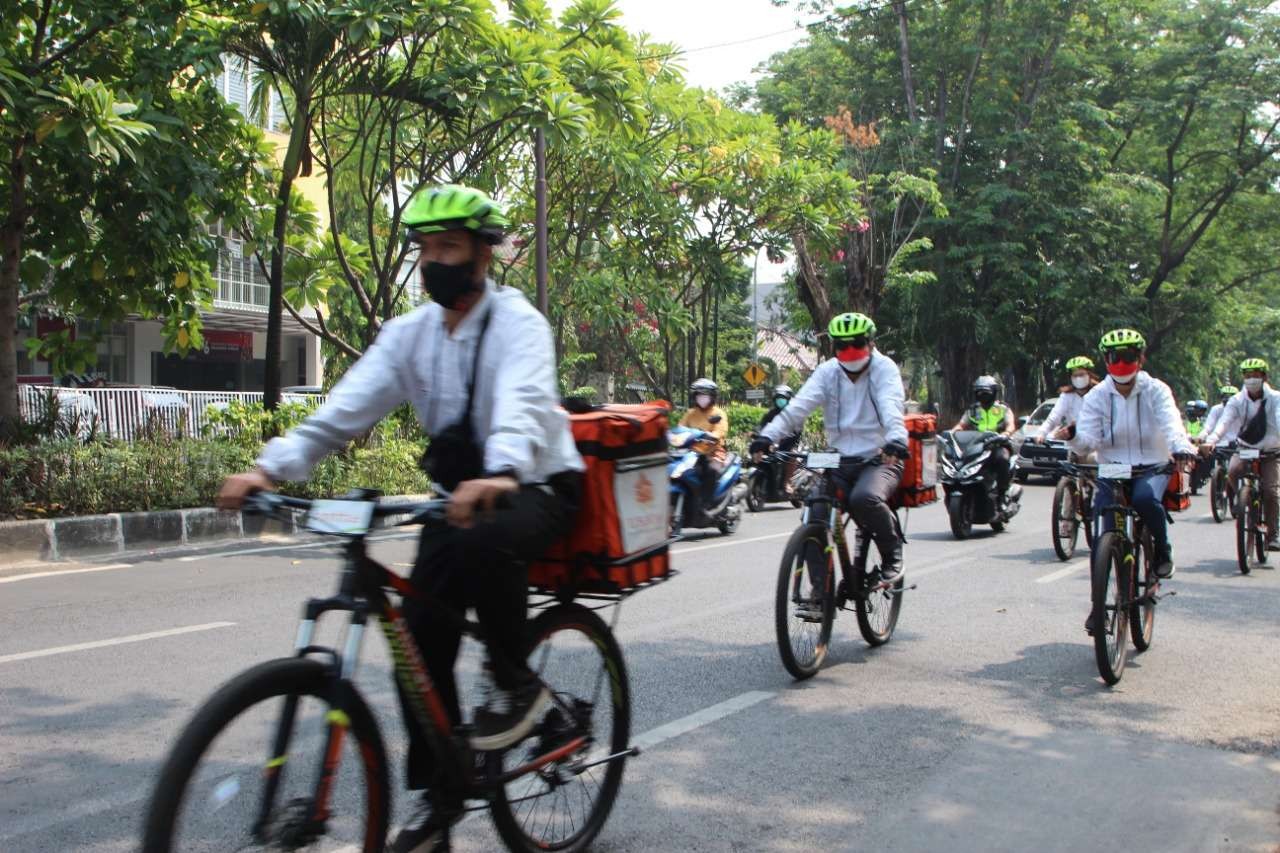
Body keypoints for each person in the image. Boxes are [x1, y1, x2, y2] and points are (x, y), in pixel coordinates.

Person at [216, 185, 585, 853]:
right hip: (458, 498)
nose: (432, 260)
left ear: (482, 256)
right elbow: (344, 410)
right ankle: (439, 796)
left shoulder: (519, 323)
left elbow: (523, 405)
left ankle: (518, 686)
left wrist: (500, 471)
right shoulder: (408, 335)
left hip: (535, 481)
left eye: (448, 247)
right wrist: (269, 468)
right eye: (425, 249)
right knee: (417, 644)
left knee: (483, 544)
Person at [750, 312, 909, 581]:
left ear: (870, 343)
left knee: (864, 499)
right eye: (841, 345)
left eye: (856, 343)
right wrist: (768, 437)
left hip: (881, 457)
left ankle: (892, 553)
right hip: (838, 460)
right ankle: (818, 592)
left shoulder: (884, 369)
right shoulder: (827, 372)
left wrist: (896, 440)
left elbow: (891, 407)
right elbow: (796, 410)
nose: (849, 351)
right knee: (815, 511)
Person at [1076, 329, 1195, 593]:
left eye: (1128, 355)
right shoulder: (1097, 396)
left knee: (1144, 499)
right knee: (1101, 533)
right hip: (1112, 468)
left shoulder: (1156, 390)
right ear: (1106, 360)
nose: (1121, 362)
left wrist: (1181, 447)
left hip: (1152, 466)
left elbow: (1171, 423)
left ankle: (1162, 550)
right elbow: (1087, 440)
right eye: (1114, 356)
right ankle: (1098, 604)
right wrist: (1073, 437)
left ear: (1140, 358)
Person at [1200, 358, 1280, 551]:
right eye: (1247, 376)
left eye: (1256, 375)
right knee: (1233, 471)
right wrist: (1210, 441)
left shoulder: (1276, 398)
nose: (1251, 379)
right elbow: (1223, 423)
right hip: (1245, 449)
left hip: (1270, 451)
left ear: (1264, 377)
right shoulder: (1237, 400)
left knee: (1270, 491)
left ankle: (1273, 534)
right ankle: (1241, 501)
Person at [952, 375, 1016, 508]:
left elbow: (1011, 424)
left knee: (1002, 460)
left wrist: (1006, 433)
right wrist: (952, 433)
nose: (983, 395)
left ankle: (1002, 494)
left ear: (993, 392)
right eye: (980, 392)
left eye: (986, 392)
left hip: (998, 444)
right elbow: (961, 425)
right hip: (977, 445)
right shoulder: (973, 410)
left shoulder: (1002, 408)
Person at [678, 378, 729, 515]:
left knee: (712, 470)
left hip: (714, 452)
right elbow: (680, 428)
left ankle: (708, 503)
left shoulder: (718, 414)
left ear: (712, 396)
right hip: (692, 452)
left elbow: (720, 431)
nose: (702, 398)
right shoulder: (690, 413)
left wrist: (711, 436)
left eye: (705, 395)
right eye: (699, 394)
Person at [1033, 356, 1098, 448]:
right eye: (1075, 375)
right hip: (1076, 442)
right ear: (1070, 378)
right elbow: (1054, 417)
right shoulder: (1067, 396)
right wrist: (1042, 433)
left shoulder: (1099, 393)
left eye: (1081, 375)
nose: (1078, 378)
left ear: (1090, 375)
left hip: (1097, 442)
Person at [758, 385, 799, 496]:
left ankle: (787, 482)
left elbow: (796, 432)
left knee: (793, 455)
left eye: (783, 398)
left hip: (789, 445)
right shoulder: (770, 414)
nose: (780, 401)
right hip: (772, 446)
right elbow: (761, 427)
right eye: (778, 398)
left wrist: (784, 439)